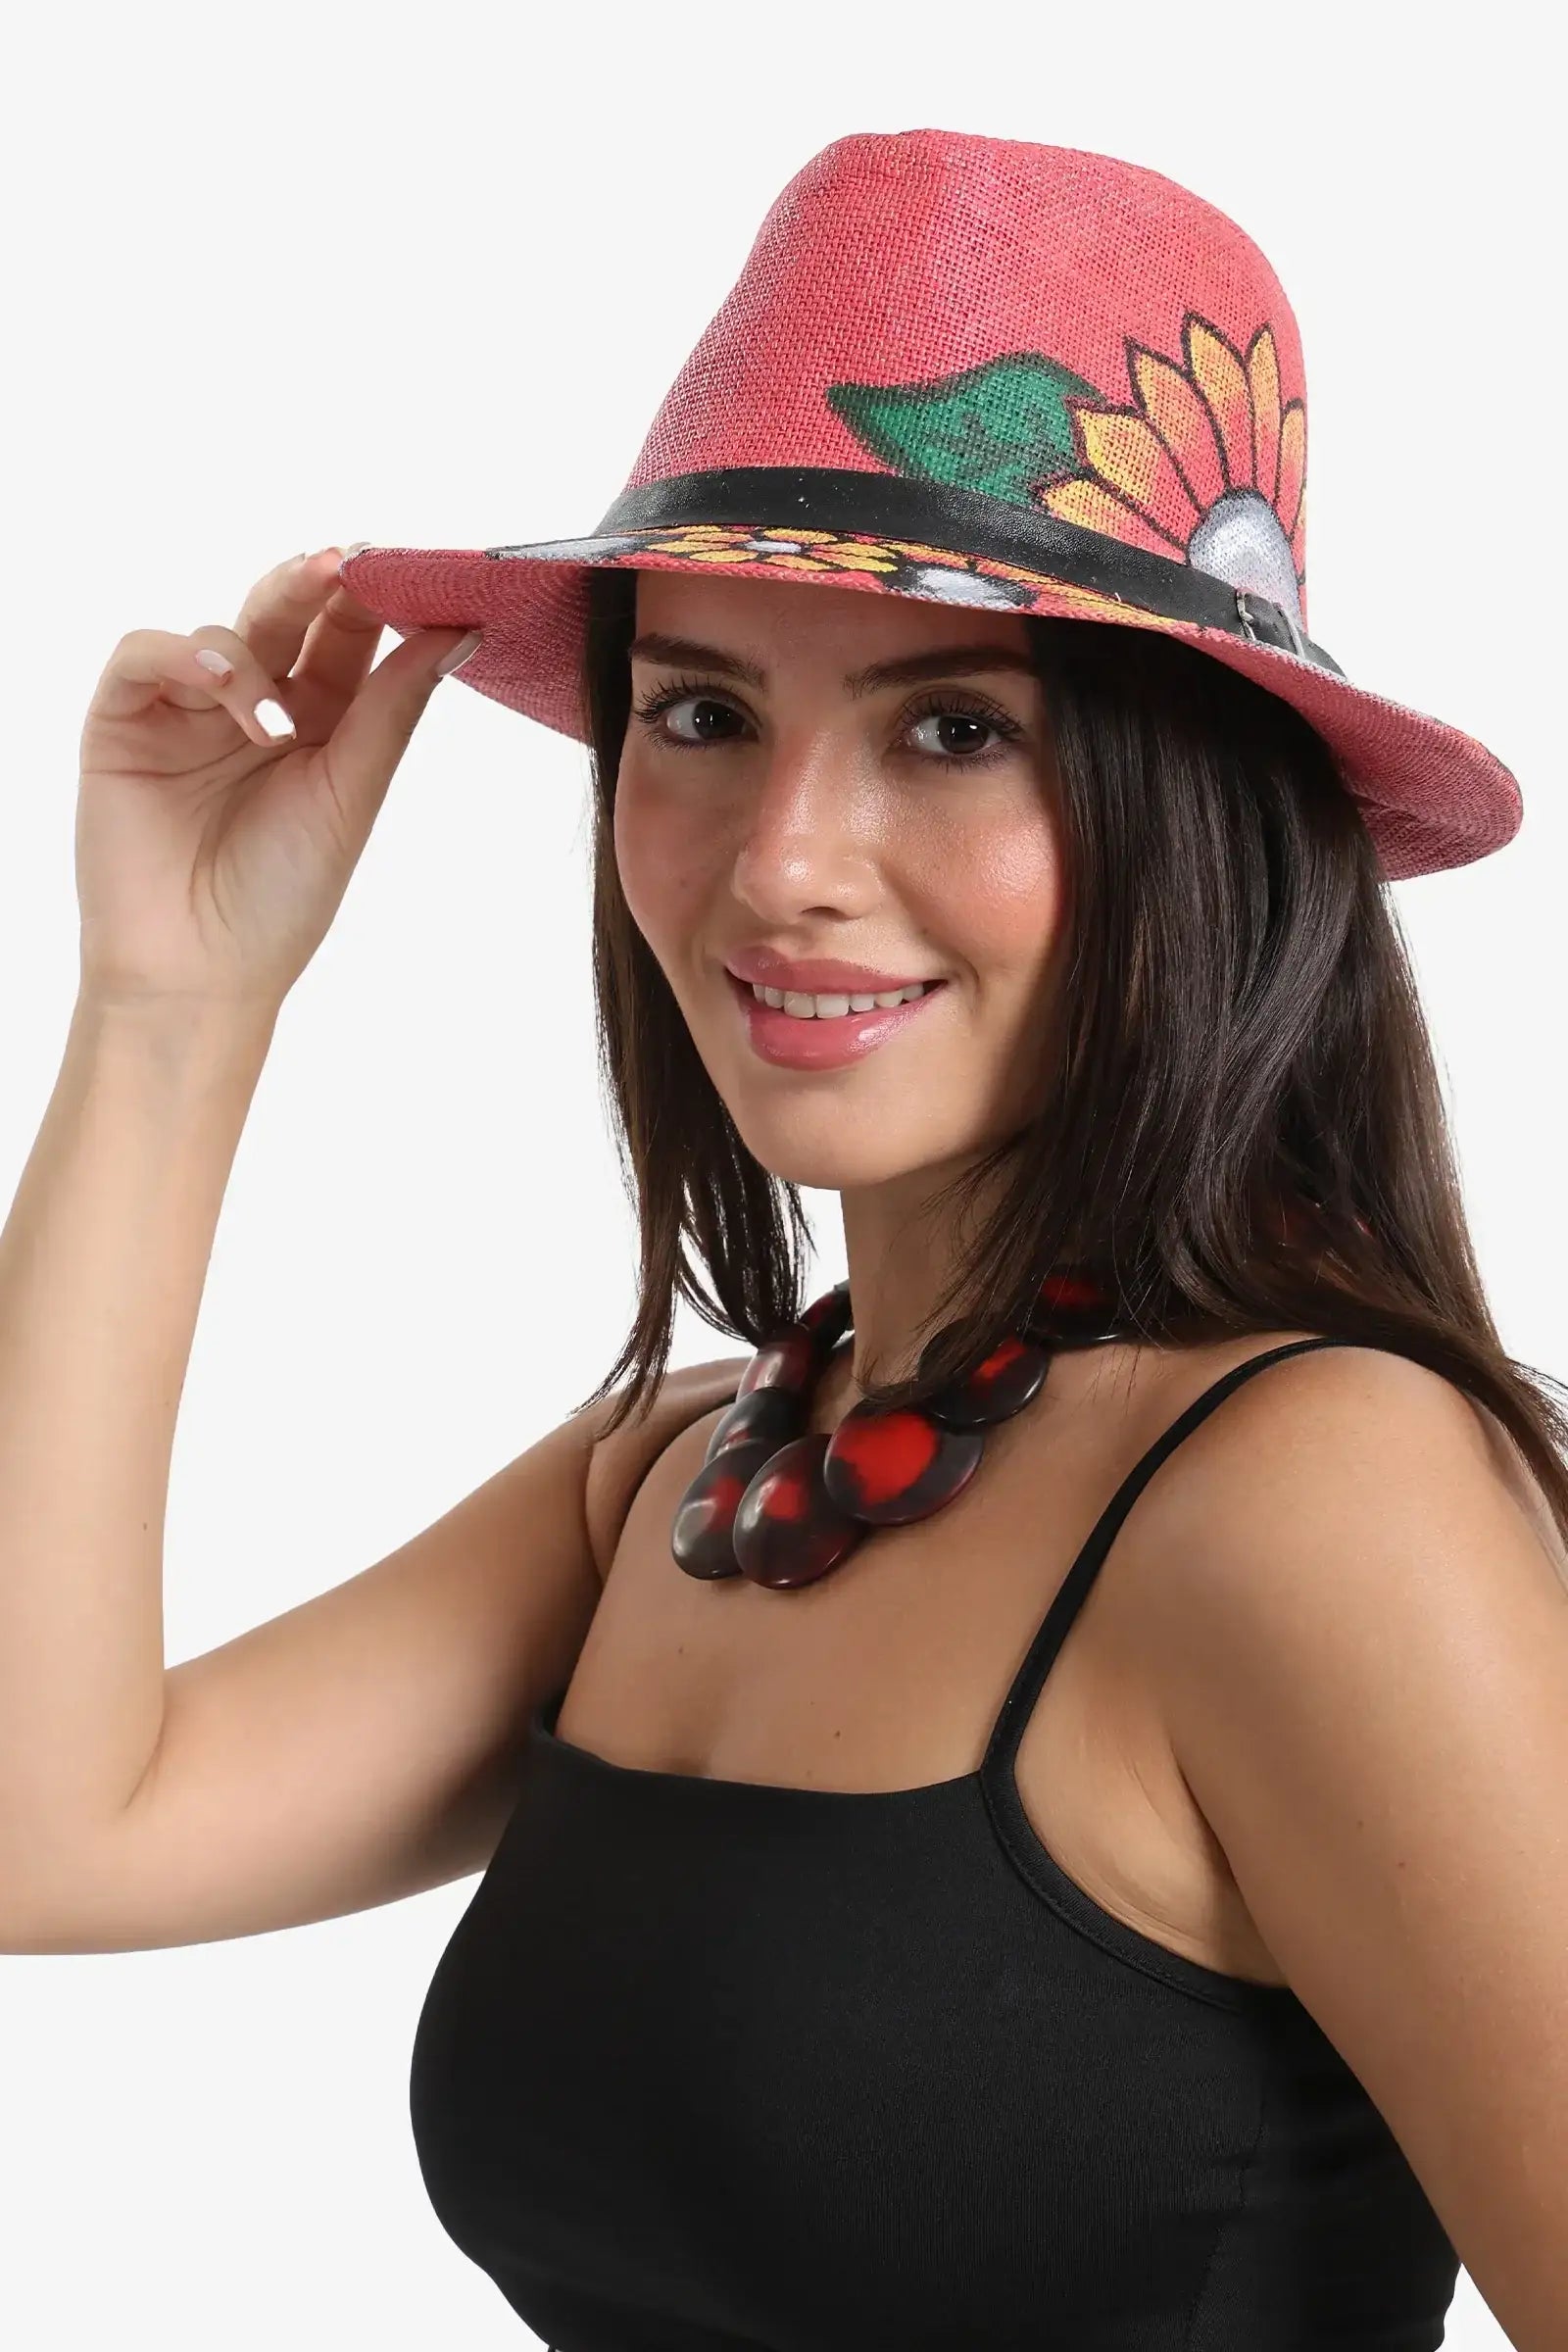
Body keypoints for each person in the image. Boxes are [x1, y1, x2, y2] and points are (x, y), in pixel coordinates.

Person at [3, 126, 1566, 2351]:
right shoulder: (680, 1484)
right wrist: (172, 1009)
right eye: (704, 715)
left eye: (956, 726)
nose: (779, 862)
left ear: (1198, 808)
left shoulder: (1310, 1497)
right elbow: (42, 1830)